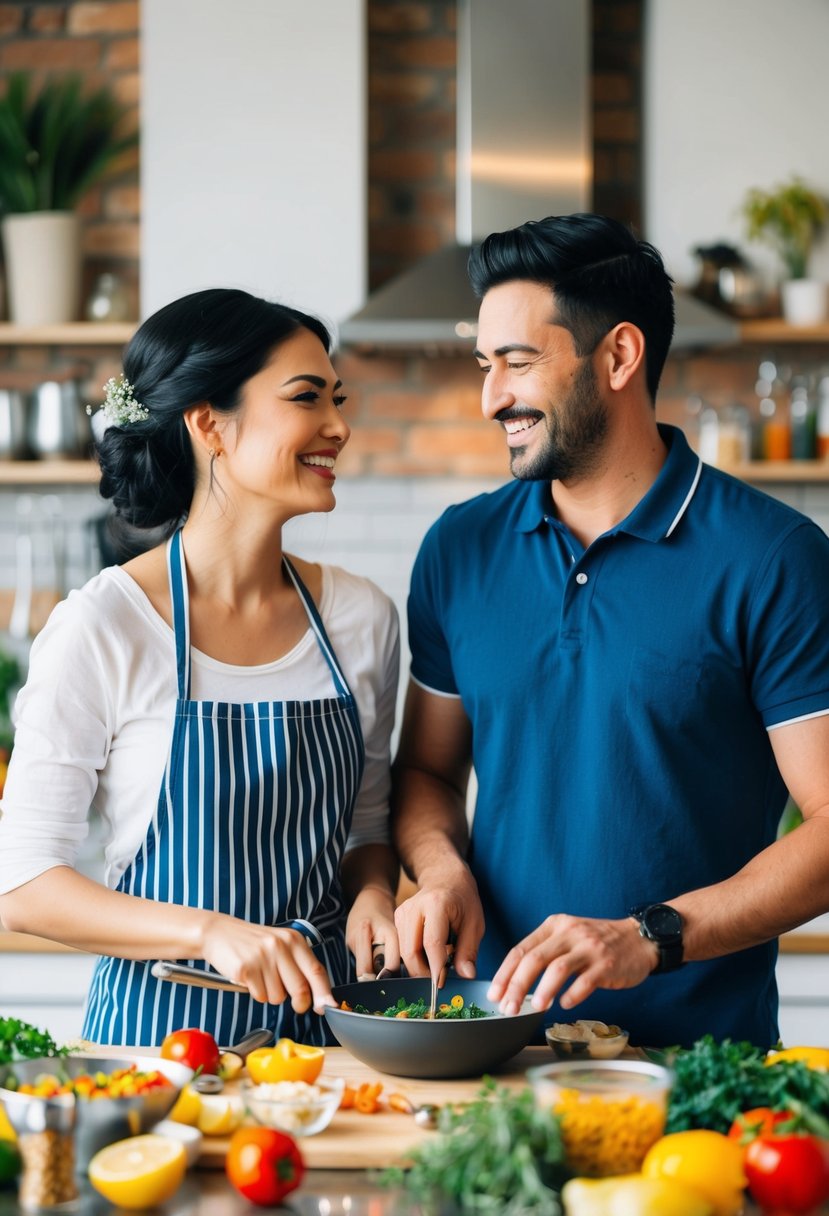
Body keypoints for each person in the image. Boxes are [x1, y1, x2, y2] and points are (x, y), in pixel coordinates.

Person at [391, 213, 829, 1049]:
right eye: (486, 366)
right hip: (491, 1045)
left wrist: (646, 937)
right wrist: (439, 871)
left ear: (619, 356)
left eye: (517, 362)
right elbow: (426, 772)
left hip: (697, 1069)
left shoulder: (773, 558)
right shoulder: (459, 548)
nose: (492, 399)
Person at [0, 288, 401, 1047]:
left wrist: (375, 893)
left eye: (336, 399)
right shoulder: (103, 626)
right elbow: (21, 887)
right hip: (160, 1052)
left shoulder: (361, 618)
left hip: (332, 1051)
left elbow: (365, 830)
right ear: (209, 422)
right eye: (306, 397)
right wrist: (212, 932)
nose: (338, 426)